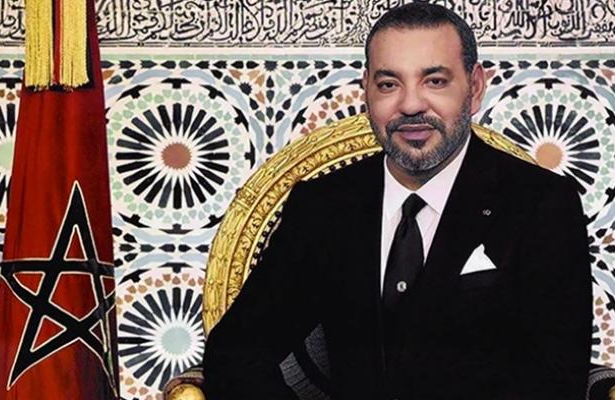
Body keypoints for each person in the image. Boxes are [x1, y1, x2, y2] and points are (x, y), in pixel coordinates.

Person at [202, 3, 592, 400]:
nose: (410, 105)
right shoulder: (323, 206)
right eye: (389, 84)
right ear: (366, 90)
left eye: (434, 81)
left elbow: (558, 380)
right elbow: (235, 352)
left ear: (475, 87)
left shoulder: (542, 205)